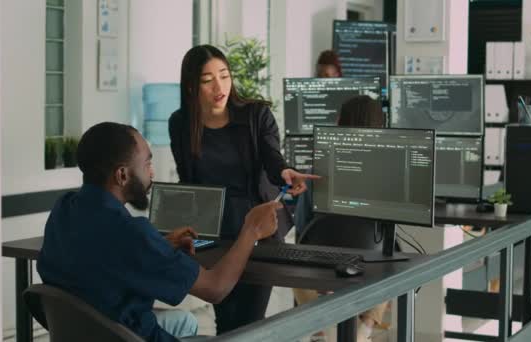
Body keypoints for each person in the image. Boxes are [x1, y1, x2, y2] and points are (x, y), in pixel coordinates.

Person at [37, 122, 282, 342]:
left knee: (185, 321)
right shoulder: (132, 234)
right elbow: (215, 288)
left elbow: (103, 256)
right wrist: (251, 230)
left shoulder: (64, 209)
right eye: (147, 163)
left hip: (86, 333)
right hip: (130, 335)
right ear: (122, 175)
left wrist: (159, 244)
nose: (151, 172)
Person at [168, 44, 319, 334]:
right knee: (225, 320)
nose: (219, 86)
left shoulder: (255, 114)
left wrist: (284, 171)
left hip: (259, 229)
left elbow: (271, 156)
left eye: (224, 75)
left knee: (249, 323)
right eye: (207, 79)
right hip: (213, 235)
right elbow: (188, 182)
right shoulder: (181, 123)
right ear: (191, 86)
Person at [293, 95, 390, 342]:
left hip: (319, 267)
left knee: (295, 261)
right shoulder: (386, 176)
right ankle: (365, 328)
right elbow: (389, 230)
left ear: (338, 124)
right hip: (369, 264)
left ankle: (325, 327)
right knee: (391, 267)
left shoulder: (316, 174)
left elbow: (303, 225)